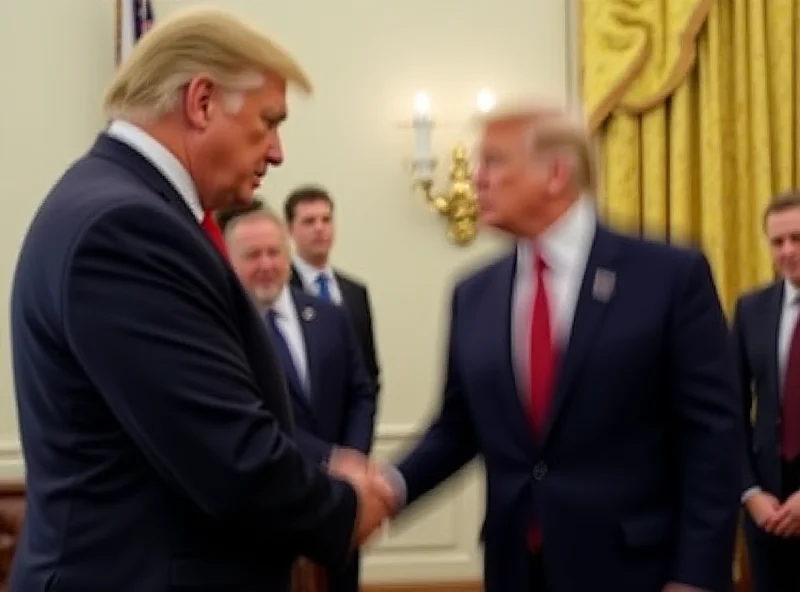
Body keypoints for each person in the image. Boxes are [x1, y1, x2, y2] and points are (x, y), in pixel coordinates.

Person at [8, 7, 389, 592]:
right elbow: (227, 457)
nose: (279, 151)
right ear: (203, 101)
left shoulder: (123, 206)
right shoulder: (127, 227)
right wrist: (341, 507)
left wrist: (314, 469)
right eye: (268, 121)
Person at [376, 102, 742, 592]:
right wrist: (386, 489)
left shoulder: (669, 277)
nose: (476, 178)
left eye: (495, 161)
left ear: (555, 174)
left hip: (636, 570)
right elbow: (458, 428)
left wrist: (696, 575)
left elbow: (712, 438)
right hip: (516, 569)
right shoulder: (474, 293)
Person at [222, 201, 377, 592]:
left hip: (340, 499)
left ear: (288, 252)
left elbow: (362, 390)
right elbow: (257, 415)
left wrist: (353, 458)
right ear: (228, 260)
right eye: (252, 256)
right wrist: (329, 458)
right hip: (266, 508)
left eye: (274, 252)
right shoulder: (224, 332)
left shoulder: (329, 315)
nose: (266, 265)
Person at [732, 192, 800, 592]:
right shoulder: (750, 309)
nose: (788, 251)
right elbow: (727, 410)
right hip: (766, 511)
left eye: (797, 238)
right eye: (778, 242)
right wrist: (750, 492)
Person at [285, 185, 381, 393]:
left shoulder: (355, 292)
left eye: (326, 220)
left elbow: (369, 369)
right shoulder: (282, 292)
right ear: (290, 229)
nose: (319, 228)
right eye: (309, 221)